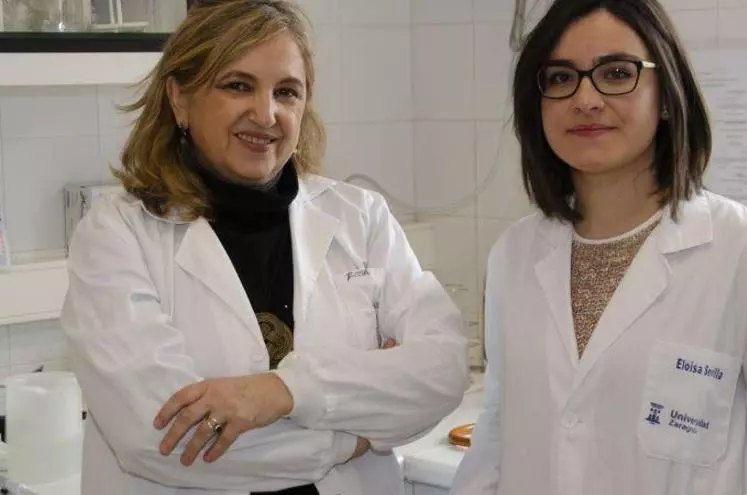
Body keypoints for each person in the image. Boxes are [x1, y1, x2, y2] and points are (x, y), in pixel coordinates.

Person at [450, 0, 747, 494]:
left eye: (617, 73)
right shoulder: (515, 254)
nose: (586, 98)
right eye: (561, 78)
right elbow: (498, 433)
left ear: (666, 96)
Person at [60, 1, 469, 494]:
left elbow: (444, 368)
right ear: (179, 98)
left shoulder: (360, 217)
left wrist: (285, 391)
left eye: (286, 92)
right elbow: (163, 436)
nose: (265, 113)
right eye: (237, 85)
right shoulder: (116, 234)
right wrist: (350, 437)